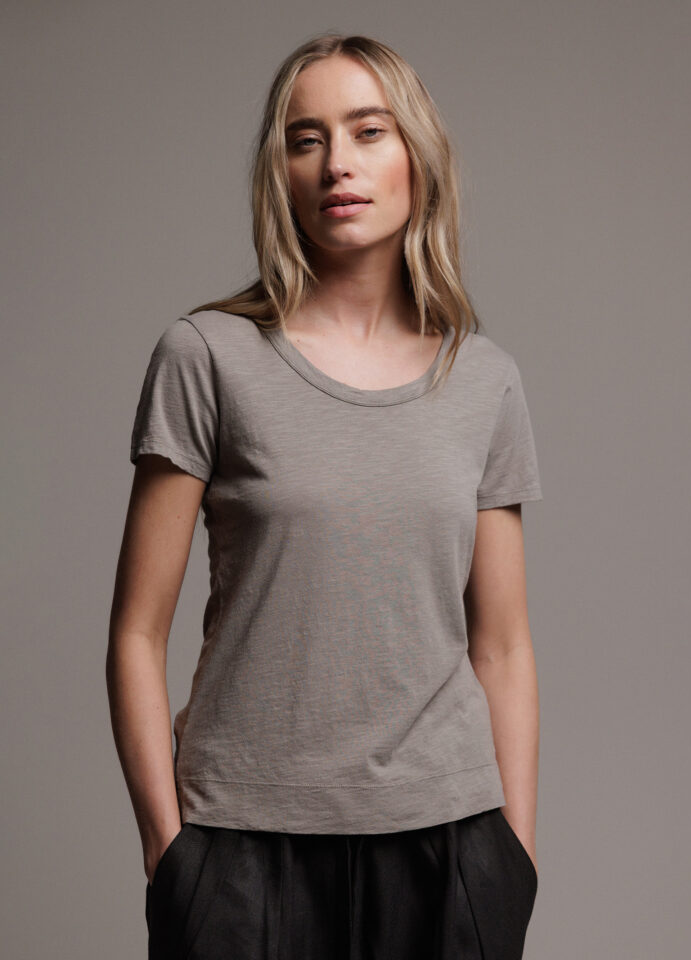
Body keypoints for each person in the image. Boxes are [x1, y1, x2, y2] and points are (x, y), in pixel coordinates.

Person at [106, 32, 544, 960]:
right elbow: (137, 634)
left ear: (417, 156)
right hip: (241, 850)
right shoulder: (206, 357)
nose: (336, 162)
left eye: (368, 131)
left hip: (449, 848)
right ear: (282, 173)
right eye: (305, 140)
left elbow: (503, 646)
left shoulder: (485, 380)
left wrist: (514, 859)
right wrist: (168, 853)